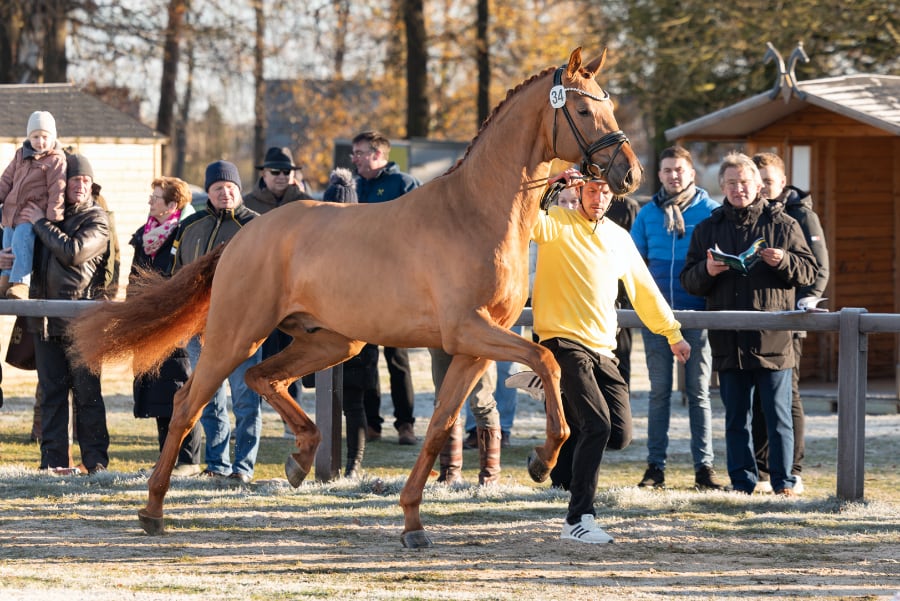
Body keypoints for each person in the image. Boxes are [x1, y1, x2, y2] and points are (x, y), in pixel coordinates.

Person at [531, 168, 691, 543]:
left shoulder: (619, 237)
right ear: (579, 191)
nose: (598, 198)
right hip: (562, 341)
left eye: (604, 192)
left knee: (617, 435)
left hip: (604, 348)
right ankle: (578, 519)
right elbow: (524, 213)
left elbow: (644, 290)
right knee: (597, 426)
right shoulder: (555, 222)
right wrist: (552, 183)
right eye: (591, 190)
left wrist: (672, 333)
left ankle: (555, 416)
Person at [680, 152, 817, 497]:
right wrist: (707, 272)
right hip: (729, 340)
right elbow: (689, 280)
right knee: (736, 418)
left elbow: (809, 272)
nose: (738, 189)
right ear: (722, 186)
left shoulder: (784, 224)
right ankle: (742, 482)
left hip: (773, 340)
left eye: (745, 183)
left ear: (758, 185)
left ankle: (784, 482)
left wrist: (784, 260)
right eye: (731, 183)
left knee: (778, 416)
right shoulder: (709, 228)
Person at [630, 146, 724, 490]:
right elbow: (633, 261)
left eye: (679, 170)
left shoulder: (711, 212)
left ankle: (705, 469)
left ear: (692, 174)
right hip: (656, 317)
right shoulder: (646, 215)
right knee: (658, 393)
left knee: (699, 393)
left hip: (697, 315)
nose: (674, 176)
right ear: (660, 175)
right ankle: (655, 468)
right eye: (667, 170)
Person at [172, 160, 262, 484]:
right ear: (208, 192)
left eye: (230, 187)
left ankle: (243, 468)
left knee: (245, 399)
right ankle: (217, 464)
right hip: (199, 329)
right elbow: (177, 275)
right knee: (208, 398)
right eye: (217, 188)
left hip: (244, 329)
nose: (224, 193)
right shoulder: (190, 227)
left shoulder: (258, 227)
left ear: (238, 190)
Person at [22, 153, 112, 473]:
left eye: (86, 180)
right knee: (52, 395)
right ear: (63, 184)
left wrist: (39, 222)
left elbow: (73, 253)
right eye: (75, 180)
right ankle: (53, 462)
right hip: (46, 322)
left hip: (83, 323)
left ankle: (96, 462)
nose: (81, 185)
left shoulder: (97, 219)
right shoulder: (51, 217)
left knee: (87, 395)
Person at [750, 152, 830, 494]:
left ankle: (792, 469)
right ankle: (762, 469)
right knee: (758, 398)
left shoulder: (800, 214)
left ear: (782, 182)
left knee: (788, 395)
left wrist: (804, 304)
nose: (764, 187)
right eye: (759, 181)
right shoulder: (750, 215)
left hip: (790, 319)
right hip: (757, 318)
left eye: (769, 181)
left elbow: (819, 268)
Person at [351, 130, 421, 445]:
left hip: (398, 284)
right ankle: (371, 424)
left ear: (379, 155)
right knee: (364, 357)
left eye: (360, 153)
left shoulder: (403, 185)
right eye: (354, 153)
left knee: (398, 357)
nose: (354, 159)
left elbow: (421, 228)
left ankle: (405, 424)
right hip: (361, 285)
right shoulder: (349, 186)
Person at [130, 176, 200, 476]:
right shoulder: (144, 235)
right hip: (149, 323)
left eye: (155, 197)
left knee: (180, 390)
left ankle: (187, 460)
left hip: (179, 325)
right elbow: (135, 277)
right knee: (159, 394)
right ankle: (166, 457)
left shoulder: (186, 234)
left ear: (173, 204)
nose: (149, 202)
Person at [243, 146, 313, 432]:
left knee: (291, 355)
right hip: (259, 289)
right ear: (264, 174)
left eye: (288, 172)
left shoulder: (306, 203)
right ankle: (252, 417)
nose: (283, 176)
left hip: (297, 291)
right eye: (276, 172)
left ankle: (290, 418)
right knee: (256, 353)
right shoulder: (248, 204)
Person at [320, 167, 373, 477]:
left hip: (360, 332)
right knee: (327, 403)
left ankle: (354, 464)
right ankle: (325, 462)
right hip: (324, 332)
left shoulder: (369, 244)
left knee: (354, 404)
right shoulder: (316, 244)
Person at [0, 110, 67, 299]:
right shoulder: (20, 154)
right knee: (8, 245)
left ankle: (21, 283)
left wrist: (54, 216)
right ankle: (5, 281)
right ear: (29, 137)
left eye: (45, 137)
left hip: (30, 211)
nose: (40, 142)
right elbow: (6, 179)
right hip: (11, 212)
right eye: (35, 136)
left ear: (53, 137)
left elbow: (57, 187)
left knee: (22, 243)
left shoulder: (55, 160)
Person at [429, 348, 502, 485]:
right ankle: (450, 474)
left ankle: (489, 477)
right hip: (441, 334)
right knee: (444, 403)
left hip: (480, 334)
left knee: (482, 402)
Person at [606, 193, 641, 387]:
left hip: (620, 295)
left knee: (621, 360)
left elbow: (635, 253)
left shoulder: (627, 206)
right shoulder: (578, 200)